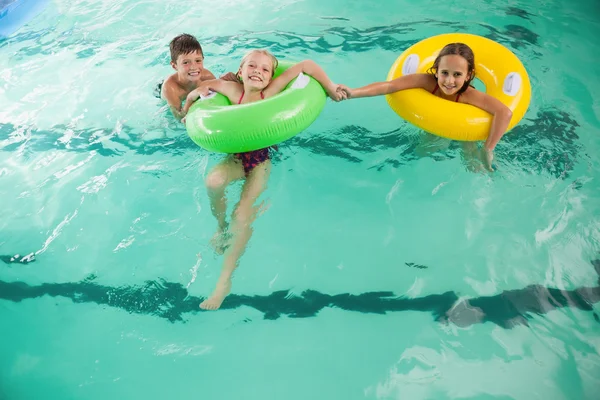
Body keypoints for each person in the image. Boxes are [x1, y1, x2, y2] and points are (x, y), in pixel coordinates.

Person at [183, 49, 344, 310]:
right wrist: (189, 104)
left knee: (243, 215)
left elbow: (307, 65)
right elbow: (203, 88)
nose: (258, 71)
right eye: (252, 66)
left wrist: (331, 88)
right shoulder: (234, 92)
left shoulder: (269, 93)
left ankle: (224, 283)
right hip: (236, 157)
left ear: (271, 77)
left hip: (260, 161)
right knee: (213, 181)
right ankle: (220, 227)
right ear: (240, 72)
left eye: (265, 69)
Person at [339, 43, 513, 171]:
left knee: (472, 163)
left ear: (468, 76)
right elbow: (389, 86)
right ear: (436, 70)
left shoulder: (469, 95)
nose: (449, 81)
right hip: (435, 125)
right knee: (422, 152)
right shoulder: (427, 82)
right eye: (444, 72)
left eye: (457, 75)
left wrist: (488, 148)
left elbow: (504, 112)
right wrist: (353, 92)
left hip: (466, 130)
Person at [158, 33, 238, 120]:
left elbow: (218, 90)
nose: (194, 67)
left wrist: (224, 79)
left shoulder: (206, 75)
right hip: (160, 89)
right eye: (186, 62)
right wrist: (189, 99)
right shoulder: (170, 88)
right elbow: (178, 117)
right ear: (174, 66)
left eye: (198, 60)